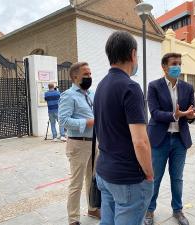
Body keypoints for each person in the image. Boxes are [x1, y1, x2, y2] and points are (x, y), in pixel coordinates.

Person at [94, 31, 154, 225]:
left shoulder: (101, 86)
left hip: (104, 171)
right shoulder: (130, 87)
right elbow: (141, 141)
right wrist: (149, 172)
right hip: (127, 177)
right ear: (133, 54)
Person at [144, 53, 195, 225]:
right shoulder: (154, 86)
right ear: (164, 67)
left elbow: (190, 114)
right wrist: (175, 115)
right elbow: (154, 113)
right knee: (155, 177)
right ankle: (149, 211)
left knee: (177, 178)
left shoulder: (187, 88)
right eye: (174, 63)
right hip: (160, 139)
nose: (178, 67)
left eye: (179, 63)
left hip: (179, 140)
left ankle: (178, 210)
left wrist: (191, 116)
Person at [59, 62, 100, 225]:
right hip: (77, 144)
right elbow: (63, 121)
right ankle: (73, 218)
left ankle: (92, 208)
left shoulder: (91, 94)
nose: (89, 77)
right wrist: (87, 122)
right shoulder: (68, 95)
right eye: (86, 74)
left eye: (90, 74)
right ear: (75, 77)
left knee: (93, 178)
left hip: (93, 142)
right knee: (76, 183)